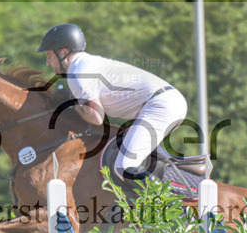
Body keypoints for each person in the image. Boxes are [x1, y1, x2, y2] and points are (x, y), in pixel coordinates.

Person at [38, 23, 188, 181]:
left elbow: (96, 117)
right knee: (133, 159)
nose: (48, 62)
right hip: (163, 103)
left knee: (124, 167)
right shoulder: (85, 65)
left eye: (49, 55)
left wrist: (73, 104)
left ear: (64, 52)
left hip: (160, 105)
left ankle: (162, 204)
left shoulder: (77, 73)